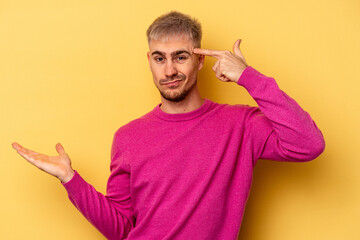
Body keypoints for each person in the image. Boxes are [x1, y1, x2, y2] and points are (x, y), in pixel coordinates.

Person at [12, 11, 325, 240]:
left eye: (181, 57)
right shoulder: (128, 137)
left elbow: (308, 144)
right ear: (149, 60)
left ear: (200, 60)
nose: (170, 70)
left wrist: (248, 77)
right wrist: (70, 179)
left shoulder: (240, 125)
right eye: (160, 58)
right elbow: (121, 229)